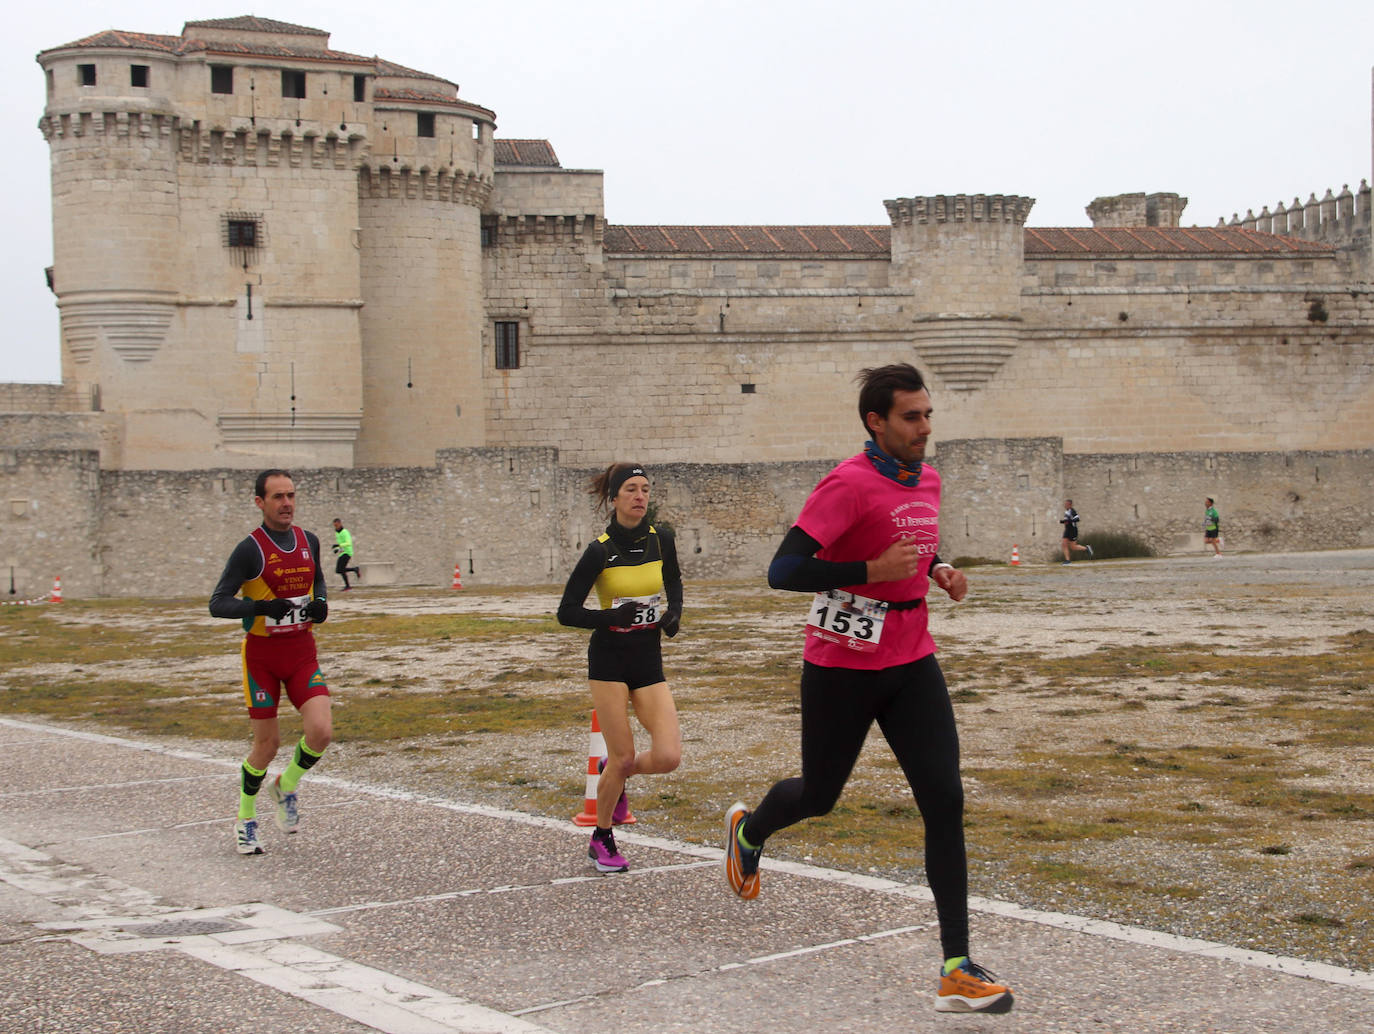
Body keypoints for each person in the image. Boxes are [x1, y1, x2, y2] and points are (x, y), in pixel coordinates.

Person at [722, 364, 1014, 1015]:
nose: (925, 428)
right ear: (875, 423)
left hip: (913, 660)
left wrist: (938, 569)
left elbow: (914, 541)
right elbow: (784, 570)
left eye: (929, 415)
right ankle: (751, 829)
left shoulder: (928, 480)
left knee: (944, 799)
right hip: (842, 668)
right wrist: (867, 570)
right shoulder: (846, 485)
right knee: (820, 795)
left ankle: (957, 968)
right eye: (912, 417)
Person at [557, 463, 683, 874]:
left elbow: (675, 582)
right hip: (609, 660)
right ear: (614, 498)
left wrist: (675, 614)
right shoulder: (599, 550)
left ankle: (614, 774)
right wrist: (611, 616)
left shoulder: (662, 539)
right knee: (625, 754)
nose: (640, 496)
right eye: (630, 489)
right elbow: (567, 612)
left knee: (667, 757)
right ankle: (602, 838)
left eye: (645, 489)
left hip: (648, 657)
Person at [209, 470, 333, 856]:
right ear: (260, 503)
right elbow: (218, 603)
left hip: (301, 653)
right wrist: (260, 607)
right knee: (267, 745)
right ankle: (245, 818)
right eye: (278, 497)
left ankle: (286, 785)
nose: (287, 504)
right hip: (261, 658)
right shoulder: (250, 549)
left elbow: (320, 583)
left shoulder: (307, 540)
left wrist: (321, 606)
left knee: (321, 731)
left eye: (291, 495)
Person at [1059, 499, 1093, 565]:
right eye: (1065, 504)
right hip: (1067, 530)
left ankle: (1086, 548)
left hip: (1073, 531)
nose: (1065, 505)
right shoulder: (1066, 512)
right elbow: (1067, 521)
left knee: (1073, 547)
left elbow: (1077, 518)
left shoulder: (1072, 511)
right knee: (1064, 544)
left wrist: (1070, 521)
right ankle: (1067, 561)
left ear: (1070, 505)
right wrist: (1062, 521)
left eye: (1066, 504)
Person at [332, 517, 362, 590]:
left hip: (347, 552)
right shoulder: (337, 533)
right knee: (339, 570)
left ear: (340, 523)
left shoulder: (345, 532)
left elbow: (348, 543)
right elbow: (341, 543)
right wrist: (338, 549)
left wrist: (338, 546)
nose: (335, 527)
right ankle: (354, 571)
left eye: (336, 525)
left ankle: (348, 585)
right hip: (342, 552)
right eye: (334, 525)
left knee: (340, 569)